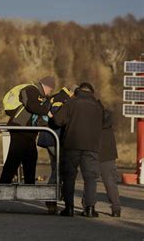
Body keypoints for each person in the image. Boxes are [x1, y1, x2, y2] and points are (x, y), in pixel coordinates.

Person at [54, 82, 103, 217]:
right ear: (92, 92)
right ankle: (90, 209)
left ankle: (68, 208)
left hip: (72, 144)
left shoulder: (72, 102)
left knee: (69, 177)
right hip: (92, 147)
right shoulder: (98, 105)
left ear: (78, 91)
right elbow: (105, 122)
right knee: (90, 178)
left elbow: (57, 120)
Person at [0, 76, 54, 184]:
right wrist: (46, 112)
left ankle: (28, 186)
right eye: (50, 89)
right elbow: (31, 105)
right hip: (19, 129)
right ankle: (3, 186)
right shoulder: (31, 90)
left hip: (28, 132)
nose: (50, 92)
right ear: (46, 86)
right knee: (14, 158)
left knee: (30, 158)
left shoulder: (42, 97)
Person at [37, 84, 77, 213]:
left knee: (56, 168)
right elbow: (57, 118)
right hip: (54, 139)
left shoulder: (59, 97)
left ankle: (52, 200)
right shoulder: (62, 99)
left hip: (51, 138)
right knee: (59, 169)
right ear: (73, 93)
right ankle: (50, 199)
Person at [98, 108, 121, 217]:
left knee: (90, 181)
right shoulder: (108, 119)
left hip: (93, 151)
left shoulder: (91, 119)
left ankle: (88, 206)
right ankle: (116, 208)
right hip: (108, 153)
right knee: (110, 182)